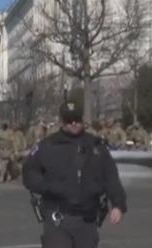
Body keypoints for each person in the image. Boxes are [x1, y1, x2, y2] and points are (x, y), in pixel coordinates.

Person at [23, 101, 127, 248]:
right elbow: (29, 173)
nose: (73, 123)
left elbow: (110, 176)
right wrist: (49, 187)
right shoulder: (47, 146)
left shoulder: (95, 146)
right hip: (57, 216)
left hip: (87, 217)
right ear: (62, 121)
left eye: (77, 119)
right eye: (68, 120)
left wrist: (118, 204)